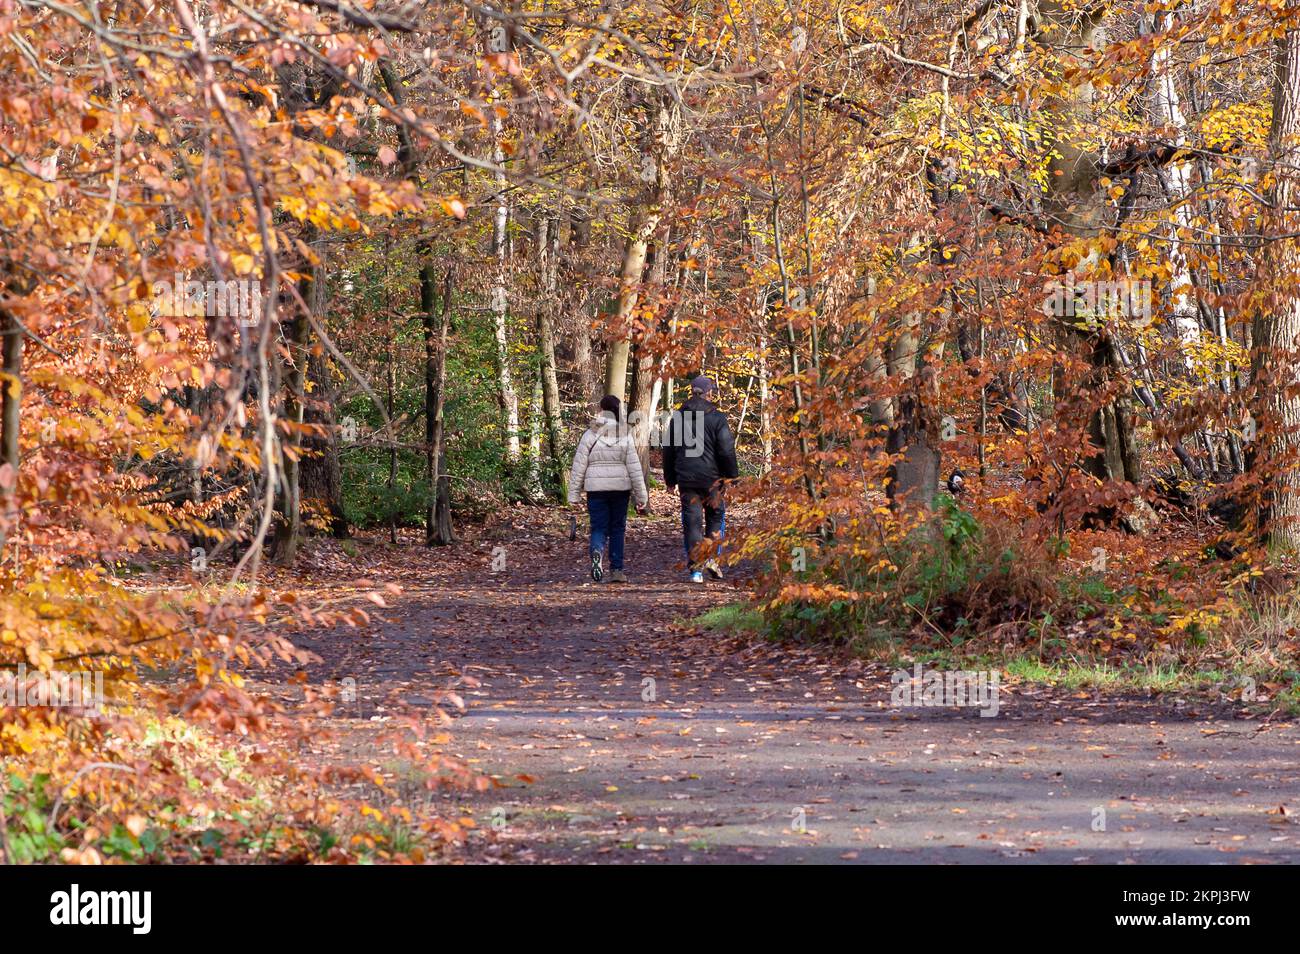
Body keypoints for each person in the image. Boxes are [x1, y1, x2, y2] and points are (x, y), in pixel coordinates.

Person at [662, 375, 738, 583]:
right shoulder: (717, 417)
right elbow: (726, 450)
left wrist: (670, 479)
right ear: (709, 393)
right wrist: (732, 477)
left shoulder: (678, 417)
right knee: (715, 516)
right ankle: (712, 558)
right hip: (713, 479)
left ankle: (696, 570)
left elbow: (668, 451)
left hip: (687, 479)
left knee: (692, 522)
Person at [568, 395, 649, 583]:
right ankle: (617, 570)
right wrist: (641, 496)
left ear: (601, 410)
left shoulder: (590, 434)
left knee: (598, 527)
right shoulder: (624, 435)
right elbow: (634, 467)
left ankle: (597, 551)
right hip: (620, 490)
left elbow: (579, 464)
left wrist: (574, 495)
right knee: (617, 528)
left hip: (596, 490)